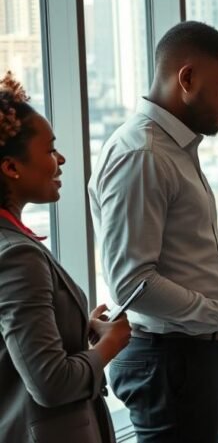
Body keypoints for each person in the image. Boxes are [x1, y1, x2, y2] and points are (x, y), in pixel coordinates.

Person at [89, 21, 218, 441]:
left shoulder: (170, 149)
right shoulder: (143, 155)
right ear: (186, 78)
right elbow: (133, 285)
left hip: (186, 359)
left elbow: (181, 262)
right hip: (170, 363)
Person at [0, 73, 131, 443]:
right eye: (50, 150)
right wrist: (111, 344)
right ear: (11, 168)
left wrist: (75, 328)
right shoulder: (17, 256)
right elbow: (51, 384)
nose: (62, 159)